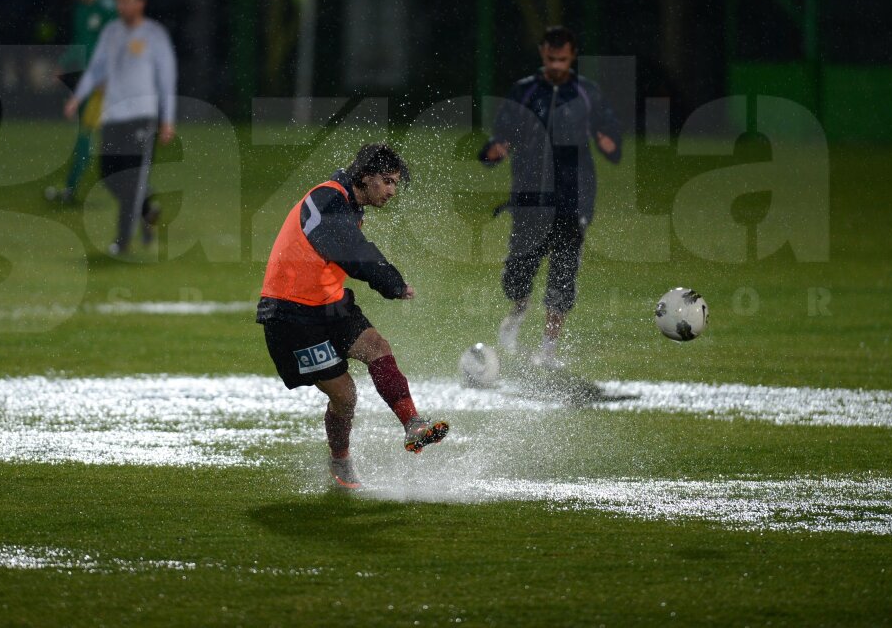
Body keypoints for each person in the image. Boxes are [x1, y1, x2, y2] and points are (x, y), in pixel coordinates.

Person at [257, 144, 449, 490]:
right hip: (292, 314)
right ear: (365, 177)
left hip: (329, 304)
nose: (391, 191)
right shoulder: (327, 198)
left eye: (395, 184)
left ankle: (413, 425)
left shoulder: (347, 203)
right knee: (345, 395)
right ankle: (340, 461)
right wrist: (391, 281)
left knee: (377, 346)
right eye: (387, 182)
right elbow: (349, 248)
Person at [480, 26, 622, 369]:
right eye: (551, 57)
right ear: (542, 53)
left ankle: (548, 349)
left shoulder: (586, 93)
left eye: (563, 58)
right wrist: (496, 149)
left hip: (574, 199)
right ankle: (517, 312)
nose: (557, 64)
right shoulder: (525, 91)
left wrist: (609, 142)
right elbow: (499, 138)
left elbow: (612, 139)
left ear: (572, 56)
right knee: (518, 271)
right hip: (530, 196)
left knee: (563, 273)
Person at [62, 0, 176, 256]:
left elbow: (167, 79)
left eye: (127, 1)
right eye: (119, 1)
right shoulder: (111, 32)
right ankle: (146, 207)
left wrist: (167, 119)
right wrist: (77, 97)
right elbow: (97, 69)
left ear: (140, 3)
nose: (121, 6)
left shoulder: (154, 35)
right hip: (112, 115)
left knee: (133, 177)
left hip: (142, 117)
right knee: (109, 174)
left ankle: (122, 242)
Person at [46, 0, 117, 205]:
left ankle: (140, 195)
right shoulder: (80, 9)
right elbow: (80, 42)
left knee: (104, 140)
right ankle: (70, 190)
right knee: (88, 139)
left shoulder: (107, 8)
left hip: (106, 84)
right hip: (91, 83)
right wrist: (63, 64)